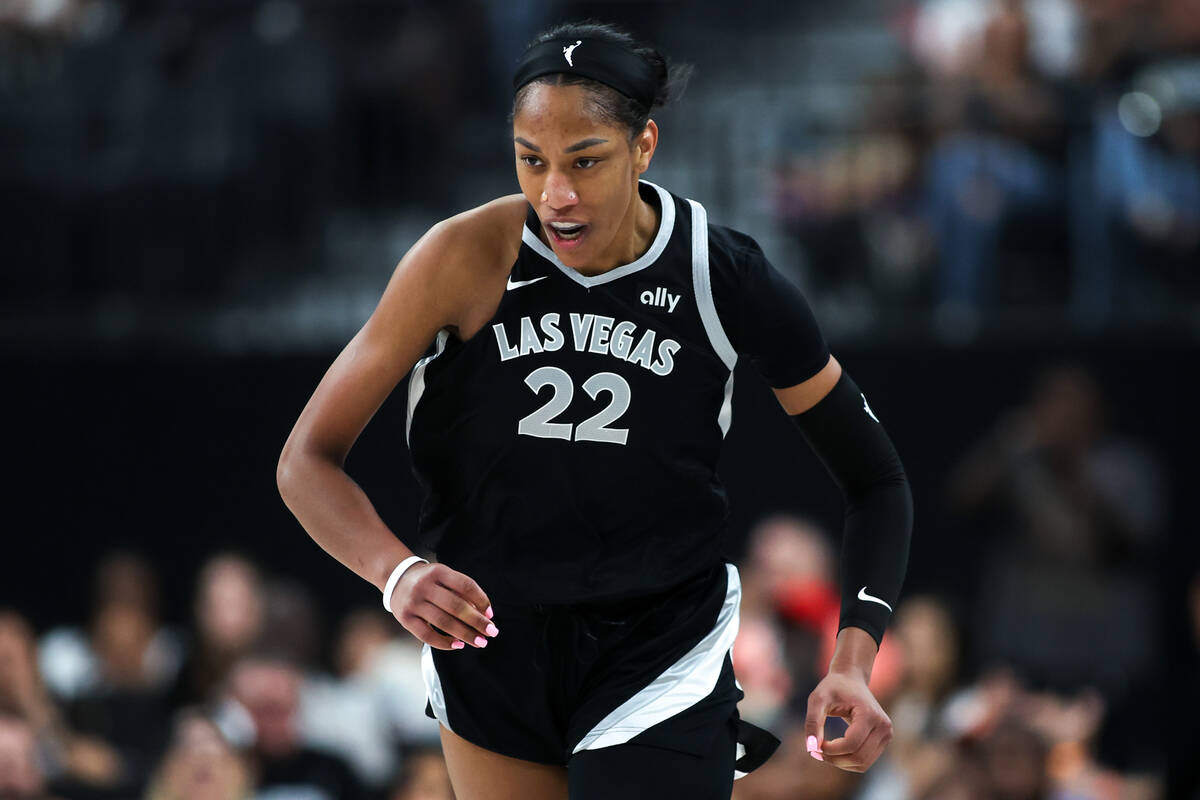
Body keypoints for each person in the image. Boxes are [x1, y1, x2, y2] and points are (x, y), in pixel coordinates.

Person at [277, 20, 912, 800]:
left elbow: (875, 479)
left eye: (585, 161)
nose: (556, 194)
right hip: (493, 643)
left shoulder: (721, 275)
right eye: (531, 160)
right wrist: (396, 572)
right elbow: (305, 460)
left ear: (644, 147)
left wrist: (851, 661)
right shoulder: (461, 258)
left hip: (658, 647)